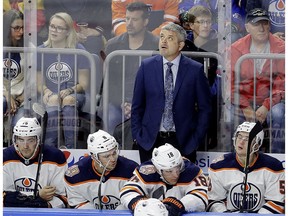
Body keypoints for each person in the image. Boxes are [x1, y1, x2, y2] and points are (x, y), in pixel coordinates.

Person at [131, 22, 211, 163]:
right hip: (150, 141)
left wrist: (195, 139)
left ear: (180, 45)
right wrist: (138, 135)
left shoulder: (195, 70)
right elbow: (137, 105)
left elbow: (205, 108)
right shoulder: (146, 67)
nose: (163, 41)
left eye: (170, 38)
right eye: (162, 37)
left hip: (183, 142)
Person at [229, 8, 285, 153]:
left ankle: (278, 158)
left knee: (279, 114)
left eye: (265, 23)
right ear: (247, 27)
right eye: (256, 24)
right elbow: (231, 82)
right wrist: (245, 106)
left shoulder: (282, 47)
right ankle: (233, 156)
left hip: (272, 100)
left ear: (269, 25)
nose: (261, 28)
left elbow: (282, 81)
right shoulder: (236, 48)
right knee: (229, 114)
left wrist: (267, 105)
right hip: (245, 99)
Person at [104, 1, 159, 140]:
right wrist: (123, 102)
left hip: (147, 102)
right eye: (127, 18)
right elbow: (109, 82)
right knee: (111, 118)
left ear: (145, 21)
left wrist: (138, 104)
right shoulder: (113, 45)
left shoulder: (157, 45)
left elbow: (158, 81)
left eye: (134, 19)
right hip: (119, 102)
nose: (129, 23)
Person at [37, 12, 90, 149]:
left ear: (68, 32)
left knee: (68, 100)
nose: (54, 30)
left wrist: (69, 90)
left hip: (74, 93)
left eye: (59, 28)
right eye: (52, 26)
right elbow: (38, 82)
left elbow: (84, 84)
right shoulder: (41, 51)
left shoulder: (79, 50)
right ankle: (50, 148)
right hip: (49, 94)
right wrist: (46, 91)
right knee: (53, 99)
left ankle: (71, 148)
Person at [207, 121, 285, 213]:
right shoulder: (218, 166)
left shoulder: (273, 167)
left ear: (257, 144)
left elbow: (277, 203)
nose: (241, 141)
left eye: (247, 139)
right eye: (239, 136)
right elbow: (214, 201)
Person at [120, 143, 208, 215]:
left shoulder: (192, 171)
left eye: (178, 168)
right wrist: (140, 204)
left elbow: (201, 198)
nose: (175, 175)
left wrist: (176, 205)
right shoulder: (145, 171)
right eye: (169, 171)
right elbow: (127, 191)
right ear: (158, 169)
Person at [64, 129, 138, 209]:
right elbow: (78, 205)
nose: (113, 159)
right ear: (94, 157)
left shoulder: (131, 169)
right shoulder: (75, 175)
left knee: (123, 208)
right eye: (106, 156)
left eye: (114, 153)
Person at [3, 117, 68, 208]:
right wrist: (37, 196)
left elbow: (62, 198)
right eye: (21, 140)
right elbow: (5, 197)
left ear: (38, 140)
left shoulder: (56, 157)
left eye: (30, 140)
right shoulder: (5, 157)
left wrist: (42, 206)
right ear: (15, 140)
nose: (25, 146)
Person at [182, 5, 221, 150]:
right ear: (191, 25)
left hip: (210, 95)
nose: (205, 26)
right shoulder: (183, 45)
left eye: (208, 22)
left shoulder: (219, 43)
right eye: (201, 22)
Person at [43, 0, 110, 54]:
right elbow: (51, 20)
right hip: (62, 33)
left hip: (90, 35)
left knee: (92, 44)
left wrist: (97, 30)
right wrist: (72, 34)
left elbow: (107, 10)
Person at [3, 9, 25, 145]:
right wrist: (6, 93)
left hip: (21, 98)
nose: (21, 32)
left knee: (20, 126)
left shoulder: (29, 48)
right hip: (4, 94)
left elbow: (31, 80)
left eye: (22, 27)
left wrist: (18, 99)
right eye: (16, 28)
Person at [112, 0, 179, 36]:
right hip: (128, 43)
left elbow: (171, 23)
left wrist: (151, 38)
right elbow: (118, 21)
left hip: (159, 43)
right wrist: (130, 37)